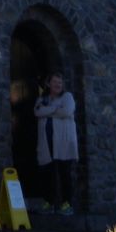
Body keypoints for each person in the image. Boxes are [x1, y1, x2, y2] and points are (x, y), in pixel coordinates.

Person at [34, 73, 79, 215]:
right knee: (48, 174)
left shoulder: (67, 97)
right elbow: (37, 112)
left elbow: (67, 111)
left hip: (63, 142)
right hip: (47, 143)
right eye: (55, 82)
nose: (58, 85)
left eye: (60, 82)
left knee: (64, 173)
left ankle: (67, 204)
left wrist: (49, 110)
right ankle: (49, 203)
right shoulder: (43, 99)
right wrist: (55, 109)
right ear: (49, 84)